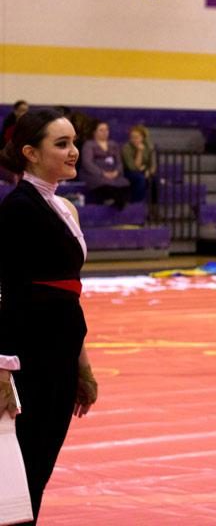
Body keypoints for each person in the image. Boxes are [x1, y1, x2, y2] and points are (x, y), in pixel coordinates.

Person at [0, 109, 98, 522]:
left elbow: (69, 297)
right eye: (61, 144)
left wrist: (83, 367)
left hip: (60, 356)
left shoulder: (65, 208)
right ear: (30, 153)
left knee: (37, 473)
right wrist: (2, 371)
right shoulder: (19, 208)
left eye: (74, 142)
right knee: (17, 477)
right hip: (27, 361)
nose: (74, 151)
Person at [80, 120, 131, 209]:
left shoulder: (113, 144)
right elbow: (87, 162)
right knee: (105, 185)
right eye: (101, 130)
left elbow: (119, 162)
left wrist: (116, 172)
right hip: (96, 175)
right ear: (94, 132)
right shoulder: (89, 145)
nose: (105, 132)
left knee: (125, 184)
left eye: (106, 130)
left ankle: (119, 203)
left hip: (113, 174)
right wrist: (102, 173)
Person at [121, 124, 156, 202]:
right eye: (132, 137)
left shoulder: (149, 146)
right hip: (128, 172)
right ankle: (136, 205)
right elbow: (133, 168)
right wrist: (139, 151)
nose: (134, 139)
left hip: (144, 171)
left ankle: (154, 207)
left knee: (154, 180)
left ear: (143, 138)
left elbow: (153, 165)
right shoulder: (126, 148)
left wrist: (148, 171)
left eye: (137, 137)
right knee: (140, 178)